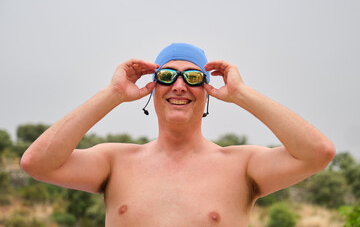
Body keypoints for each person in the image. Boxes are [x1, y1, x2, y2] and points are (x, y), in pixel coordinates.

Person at [21, 43, 335, 226]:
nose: (180, 85)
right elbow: (37, 163)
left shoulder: (241, 166)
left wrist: (242, 94)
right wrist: (113, 93)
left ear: (208, 91)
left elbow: (318, 152)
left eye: (194, 77)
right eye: (167, 76)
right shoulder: (114, 161)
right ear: (152, 87)